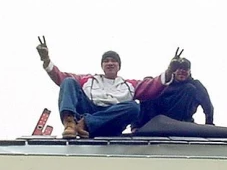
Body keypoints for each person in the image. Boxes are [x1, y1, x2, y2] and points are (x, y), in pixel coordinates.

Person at [36, 37, 178, 138]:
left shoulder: (129, 85)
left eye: (113, 61)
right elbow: (60, 77)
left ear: (119, 66)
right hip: (88, 110)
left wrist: (170, 71)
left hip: (111, 120)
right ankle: (70, 124)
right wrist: (46, 60)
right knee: (68, 81)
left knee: (134, 107)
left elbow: (152, 86)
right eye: (106, 61)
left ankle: (85, 123)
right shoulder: (88, 80)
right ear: (102, 66)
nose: (110, 63)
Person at [134, 57, 214, 128]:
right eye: (179, 69)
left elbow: (207, 106)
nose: (182, 71)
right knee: (149, 87)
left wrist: (209, 124)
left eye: (185, 69)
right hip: (157, 119)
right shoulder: (164, 84)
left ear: (189, 71)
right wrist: (135, 125)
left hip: (180, 121)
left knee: (189, 88)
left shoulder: (195, 85)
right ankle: (139, 126)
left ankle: (181, 122)